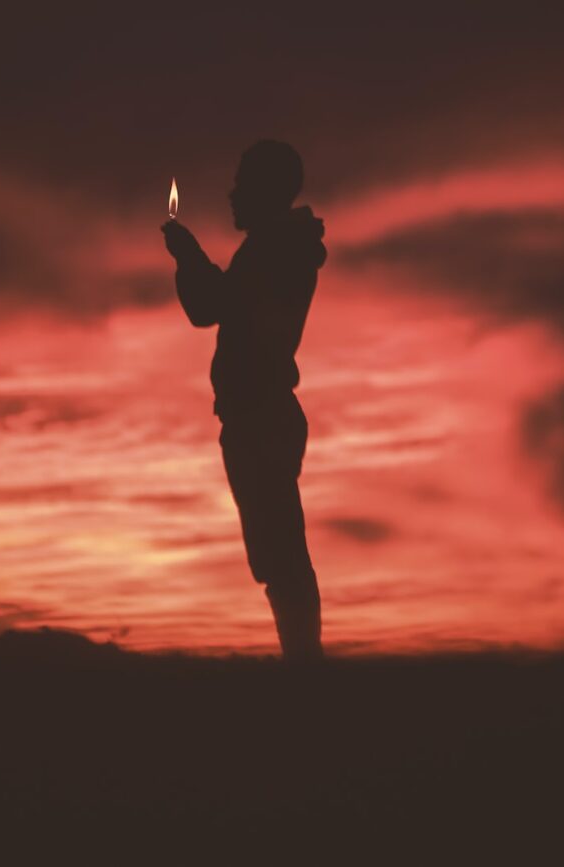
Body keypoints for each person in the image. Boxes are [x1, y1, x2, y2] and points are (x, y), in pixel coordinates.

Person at [161, 140, 326, 661]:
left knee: (280, 556)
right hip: (260, 413)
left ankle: (305, 665)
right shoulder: (277, 248)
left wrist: (188, 257)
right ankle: (303, 662)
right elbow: (219, 309)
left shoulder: (274, 251)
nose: (232, 195)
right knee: (277, 555)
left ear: (266, 191)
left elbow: (212, 308)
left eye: (242, 184)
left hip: (261, 415)